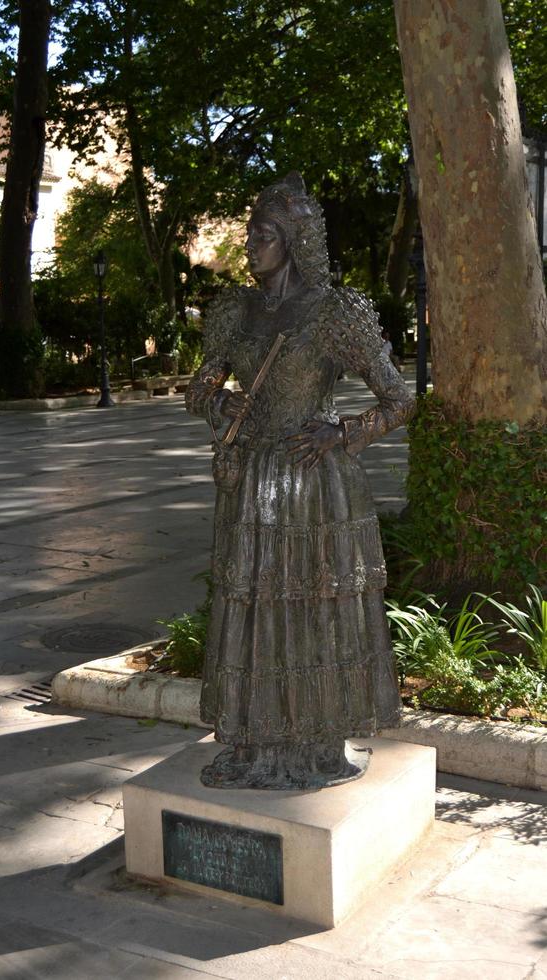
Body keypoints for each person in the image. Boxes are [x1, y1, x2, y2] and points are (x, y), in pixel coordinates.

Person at [185, 173, 414, 790]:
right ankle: (252, 745)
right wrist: (217, 405)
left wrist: (344, 433)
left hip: (312, 484)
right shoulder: (234, 310)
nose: (251, 246)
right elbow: (200, 384)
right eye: (250, 234)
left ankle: (314, 745)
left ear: (291, 242)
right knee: (253, 612)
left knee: (312, 610)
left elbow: (398, 398)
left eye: (262, 235)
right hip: (249, 482)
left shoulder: (334, 313)